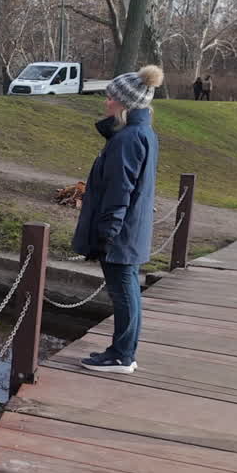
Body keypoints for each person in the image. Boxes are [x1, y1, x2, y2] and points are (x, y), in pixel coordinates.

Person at [72, 65, 162, 373]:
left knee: (124, 294)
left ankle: (122, 355)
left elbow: (119, 191)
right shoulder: (142, 133)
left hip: (121, 234)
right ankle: (123, 351)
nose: (106, 101)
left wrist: (106, 233)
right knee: (129, 292)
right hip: (130, 231)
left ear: (125, 103)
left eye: (111, 97)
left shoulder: (128, 139)